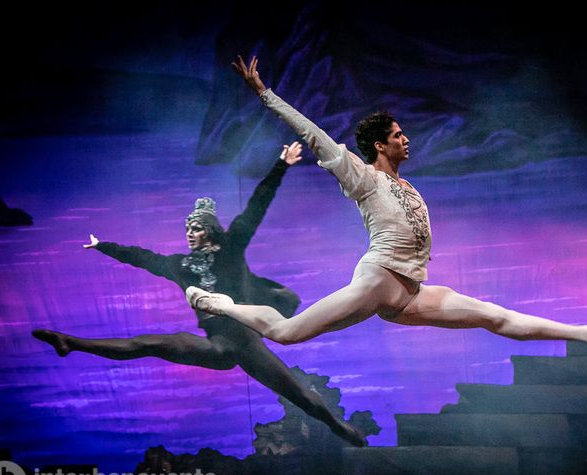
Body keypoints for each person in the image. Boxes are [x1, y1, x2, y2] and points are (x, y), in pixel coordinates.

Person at [186, 56, 587, 353]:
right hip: (378, 280)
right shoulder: (362, 176)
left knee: (493, 316)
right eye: (399, 135)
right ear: (380, 145)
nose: (407, 139)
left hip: (410, 292)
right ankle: (218, 303)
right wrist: (264, 93)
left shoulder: (409, 186)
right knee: (287, 332)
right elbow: (313, 133)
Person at [32, 142, 367, 447]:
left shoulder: (231, 247)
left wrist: (281, 165)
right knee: (146, 344)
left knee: (301, 396)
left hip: (246, 342)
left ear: (209, 229)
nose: (189, 234)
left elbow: (257, 206)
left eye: (194, 228)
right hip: (217, 345)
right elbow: (140, 257)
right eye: (187, 229)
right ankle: (70, 342)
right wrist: (103, 246)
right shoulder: (179, 265)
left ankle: (339, 427)